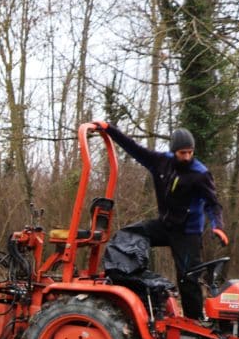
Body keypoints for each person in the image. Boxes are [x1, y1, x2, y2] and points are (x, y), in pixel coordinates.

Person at [95, 121, 229, 319]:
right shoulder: (160, 162)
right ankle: (134, 277)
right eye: (183, 153)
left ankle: (194, 323)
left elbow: (213, 204)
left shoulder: (199, 174)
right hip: (165, 225)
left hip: (187, 232)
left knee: (187, 278)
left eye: (190, 152)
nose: (187, 157)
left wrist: (218, 226)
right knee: (130, 233)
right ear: (174, 151)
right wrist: (109, 129)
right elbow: (133, 147)